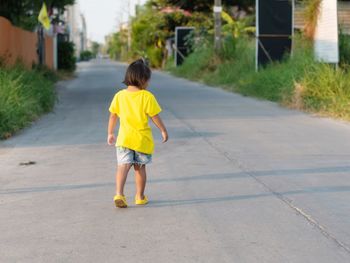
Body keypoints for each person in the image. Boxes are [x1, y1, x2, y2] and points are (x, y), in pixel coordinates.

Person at [107, 58, 168, 208]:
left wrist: (110, 133)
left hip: (124, 139)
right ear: (143, 79)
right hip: (141, 140)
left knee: (123, 166)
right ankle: (140, 197)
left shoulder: (119, 96)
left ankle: (119, 194)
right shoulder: (147, 96)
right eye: (147, 80)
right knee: (139, 168)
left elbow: (113, 115)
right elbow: (155, 116)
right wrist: (163, 130)